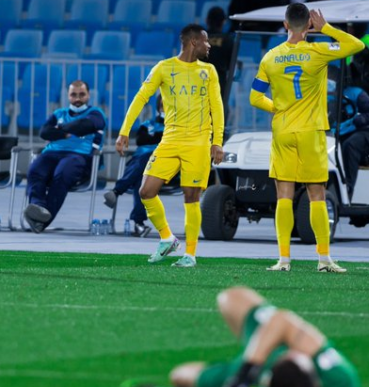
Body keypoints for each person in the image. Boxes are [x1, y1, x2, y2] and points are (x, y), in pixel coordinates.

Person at [120, 286, 360, 387]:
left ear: (266, 384)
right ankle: (253, 351)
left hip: (246, 379)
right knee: (231, 297)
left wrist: (240, 383)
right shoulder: (341, 384)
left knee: (180, 378)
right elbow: (283, 320)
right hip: (252, 368)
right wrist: (249, 368)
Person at [249, 4, 364, 273]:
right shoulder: (318, 52)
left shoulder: (270, 57)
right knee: (316, 196)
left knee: (284, 196)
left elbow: (255, 97)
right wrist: (326, 28)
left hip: (283, 131)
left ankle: (283, 260)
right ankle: (324, 259)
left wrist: (275, 107)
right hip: (311, 132)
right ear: (308, 26)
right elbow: (356, 45)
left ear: (285, 24)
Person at [115, 24, 224, 268]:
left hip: (198, 141)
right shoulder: (164, 68)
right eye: (206, 41)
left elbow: (217, 107)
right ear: (193, 42)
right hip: (170, 139)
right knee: (146, 191)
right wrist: (124, 132)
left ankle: (191, 255)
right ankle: (167, 238)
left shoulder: (209, 71)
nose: (209, 46)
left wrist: (217, 141)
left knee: (191, 196)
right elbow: (141, 98)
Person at [23, 80, 106, 233]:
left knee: (61, 174)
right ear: (68, 96)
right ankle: (38, 207)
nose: (77, 99)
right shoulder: (58, 113)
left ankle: (43, 220)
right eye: (73, 95)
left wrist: (60, 129)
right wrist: (72, 130)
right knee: (35, 170)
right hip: (52, 152)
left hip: (78, 155)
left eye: (82, 94)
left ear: (88, 96)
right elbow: (44, 132)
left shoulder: (95, 113)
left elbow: (85, 126)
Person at [103, 94, 166, 238]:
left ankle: (117, 191)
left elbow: (155, 140)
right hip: (142, 164)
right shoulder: (147, 124)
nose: (166, 109)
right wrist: (159, 137)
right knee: (141, 179)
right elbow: (141, 140)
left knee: (147, 159)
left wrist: (155, 138)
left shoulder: (179, 127)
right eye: (163, 105)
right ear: (158, 107)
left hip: (164, 167)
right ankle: (139, 225)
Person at [339, 88, 369, 200]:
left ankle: (348, 190)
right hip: (340, 132)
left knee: (350, 145)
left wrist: (359, 119)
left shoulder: (355, 93)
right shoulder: (323, 93)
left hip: (367, 133)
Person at [206, 6, 234, 106]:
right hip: (219, 83)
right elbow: (231, 64)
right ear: (223, 22)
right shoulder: (228, 40)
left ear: (207, 21)